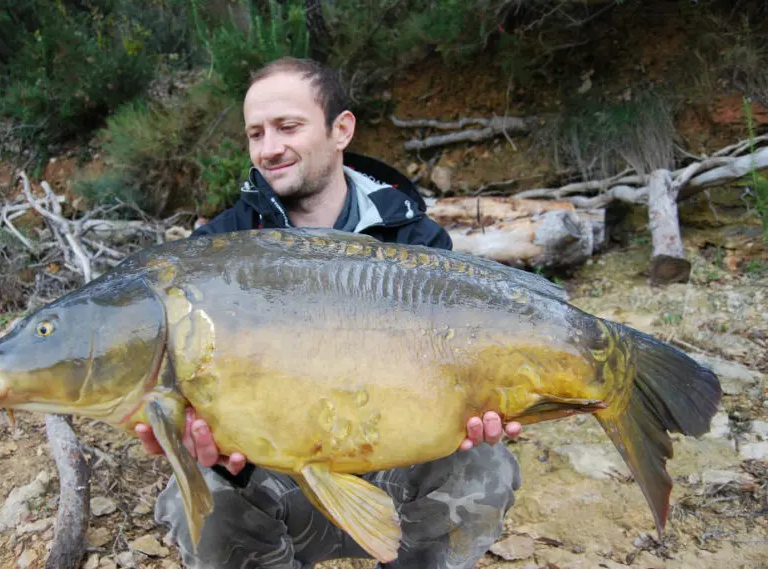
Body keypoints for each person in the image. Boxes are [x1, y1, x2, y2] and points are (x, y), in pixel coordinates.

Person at [134, 57, 523, 569]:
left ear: (341, 129)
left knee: (486, 465)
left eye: (287, 127)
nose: (269, 148)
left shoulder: (416, 238)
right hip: (275, 475)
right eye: (256, 133)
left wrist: (478, 408)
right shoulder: (219, 250)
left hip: (394, 463)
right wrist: (190, 438)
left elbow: (457, 367)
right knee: (201, 499)